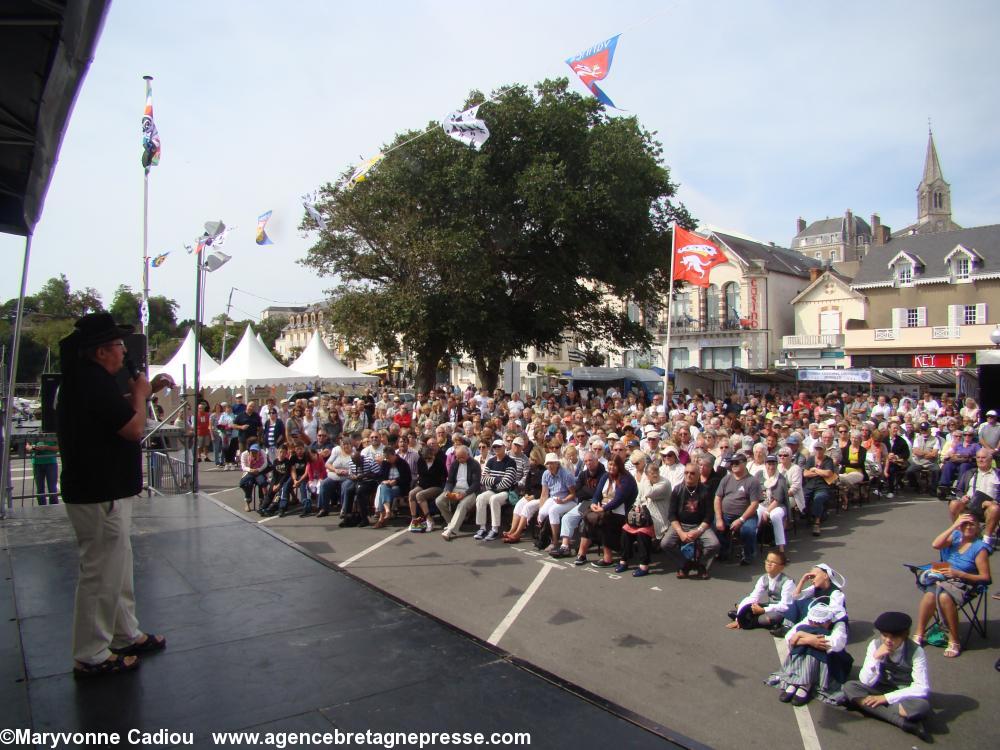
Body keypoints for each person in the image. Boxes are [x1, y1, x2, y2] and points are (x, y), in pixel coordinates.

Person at [56, 312, 174, 677]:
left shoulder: (90, 381)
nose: (124, 353)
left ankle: (125, 632)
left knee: (117, 567)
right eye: (120, 346)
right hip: (98, 491)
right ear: (102, 351)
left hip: (105, 490)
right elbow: (132, 428)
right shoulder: (90, 382)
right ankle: (91, 652)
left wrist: (144, 391)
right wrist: (140, 395)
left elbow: (113, 410)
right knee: (101, 572)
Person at [842, 611, 931, 741]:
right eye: (885, 636)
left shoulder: (916, 651)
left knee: (921, 706)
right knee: (849, 687)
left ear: (904, 636)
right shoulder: (875, 645)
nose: (888, 641)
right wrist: (876, 658)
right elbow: (865, 681)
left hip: (903, 692)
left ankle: (864, 705)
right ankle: (903, 722)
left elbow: (921, 687)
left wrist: (885, 698)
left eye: (894, 637)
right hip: (878, 688)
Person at [912, 514, 992, 658]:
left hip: (965, 581)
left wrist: (959, 574)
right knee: (930, 595)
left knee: (944, 597)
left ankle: (954, 640)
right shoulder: (955, 536)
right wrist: (954, 526)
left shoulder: (980, 548)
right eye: (964, 524)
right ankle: (919, 632)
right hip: (943, 573)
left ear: (978, 527)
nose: (967, 527)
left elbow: (985, 578)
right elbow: (935, 545)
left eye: (971, 524)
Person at [577, 455, 638, 568]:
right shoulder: (606, 476)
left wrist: (603, 509)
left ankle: (607, 558)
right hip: (605, 509)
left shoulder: (626, 479)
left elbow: (618, 500)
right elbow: (597, 494)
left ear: (620, 466)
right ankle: (582, 554)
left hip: (621, 512)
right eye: (610, 464)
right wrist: (594, 503)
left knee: (604, 520)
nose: (612, 467)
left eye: (614, 465)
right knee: (588, 518)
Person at [661, 461, 719, 578]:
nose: (689, 475)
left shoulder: (706, 491)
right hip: (681, 524)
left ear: (698, 475)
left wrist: (698, 531)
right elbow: (672, 515)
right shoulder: (677, 490)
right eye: (686, 472)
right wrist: (681, 532)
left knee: (714, 544)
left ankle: (701, 564)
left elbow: (709, 516)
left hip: (699, 525)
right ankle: (684, 564)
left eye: (692, 473)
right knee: (665, 543)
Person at [713, 452, 762, 565]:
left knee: (748, 530)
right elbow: (717, 498)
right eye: (732, 463)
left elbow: (754, 504)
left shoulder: (752, 481)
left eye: (736, 463)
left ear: (744, 463)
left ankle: (748, 555)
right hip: (725, 514)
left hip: (746, 516)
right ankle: (723, 551)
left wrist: (741, 520)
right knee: (715, 525)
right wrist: (719, 518)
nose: (733, 465)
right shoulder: (726, 479)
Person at [727, 550, 794, 630]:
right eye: (767, 561)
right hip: (770, 606)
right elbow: (753, 597)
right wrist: (740, 615)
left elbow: (786, 606)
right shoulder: (763, 578)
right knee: (750, 605)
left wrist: (763, 610)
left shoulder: (788, 582)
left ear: (781, 567)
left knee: (770, 618)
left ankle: (748, 620)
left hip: (782, 611)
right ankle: (742, 616)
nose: (769, 564)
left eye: (773, 562)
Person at [948, 448, 999, 547]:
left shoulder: (998, 474)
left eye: (983, 457)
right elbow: (959, 490)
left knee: (994, 508)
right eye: (978, 457)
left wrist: (994, 502)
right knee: (954, 503)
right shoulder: (970, 473)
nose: (980, 460)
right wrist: (962, 497)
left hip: (988, 508)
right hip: (970, 504)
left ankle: (986, 540)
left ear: (990, 459)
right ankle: (960, 533)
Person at [436, 445, 482, 540]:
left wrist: (464, 494)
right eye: (457, 457)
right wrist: (447, 490)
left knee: (462, 505)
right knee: (439, 501)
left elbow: (476, 484)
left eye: (462, 457)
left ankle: (450, 530)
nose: (460, 459)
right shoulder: (455, 463)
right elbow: (450, 481)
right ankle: (451, 522)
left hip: (470, 491)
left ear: (468, 455)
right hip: (455, 489)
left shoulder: (475, 464)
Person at [802, 443, 836, 537]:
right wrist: (820, 472)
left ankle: (817, 522)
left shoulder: (828, 460)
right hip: (810, 485)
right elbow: (805, 474)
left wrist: (814, 469)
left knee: (819, 498)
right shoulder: (811, 459)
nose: (818, 451)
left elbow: (829, 473)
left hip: (822, 486)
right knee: (802, 499)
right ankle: (809, 515)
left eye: (820, 449)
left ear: (824, 450)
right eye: (816, 449)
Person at [26, 435, 59, 505]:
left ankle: (54, 507)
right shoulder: (34, 433)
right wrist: (33, 448)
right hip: (37, 463)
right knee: (40, 488)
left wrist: (46, 447)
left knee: (52, 488)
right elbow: (27, 446)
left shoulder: (52, 433)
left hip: (51, 462)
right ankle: (41, 507)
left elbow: (58, 448)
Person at [238, 443, 269, 513]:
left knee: (262, 482)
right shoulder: (244, 454)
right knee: (244, 483)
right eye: (252, 451)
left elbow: (265, 464)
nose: (254, 453)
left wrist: (258, 470)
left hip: (259, 471)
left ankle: (262, 500)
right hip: (249, 472)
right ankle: (248, 500)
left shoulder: (262, 452)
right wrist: (250, 470)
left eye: (256, 451)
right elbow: (243, 466)